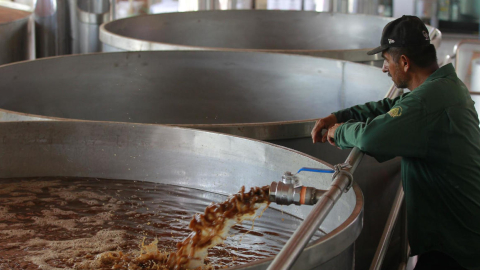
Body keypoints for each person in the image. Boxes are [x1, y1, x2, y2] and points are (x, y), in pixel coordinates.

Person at [311, 15, 480, 270]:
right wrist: (341, 116)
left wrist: (339, 131)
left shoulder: (427, 103)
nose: (384, 68)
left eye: (386, 60)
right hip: (462, 236)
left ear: (404, 62)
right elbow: (390, 106)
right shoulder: (445, 87)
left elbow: (371, 137)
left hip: (454, 250)